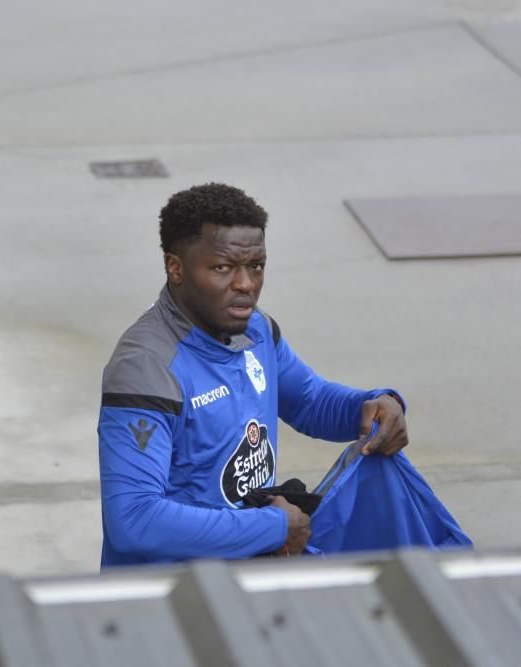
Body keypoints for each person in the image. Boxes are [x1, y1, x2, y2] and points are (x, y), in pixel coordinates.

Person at [98, 182, 411, 566]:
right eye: (222, 268)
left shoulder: (255, 329)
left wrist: (372, 405)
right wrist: (273, 527)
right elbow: (135, 520)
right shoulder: (146, 368)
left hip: (244, 583)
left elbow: (310, 401)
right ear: (175, 268)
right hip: (172, 606)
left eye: (256, 266)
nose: (246, 285)